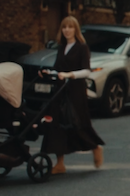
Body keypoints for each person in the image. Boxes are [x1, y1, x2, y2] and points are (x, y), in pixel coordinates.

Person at [40, 16, 105, 174]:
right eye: (64, 27)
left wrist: (70, 75)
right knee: (56, 125)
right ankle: (60, 163)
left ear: (76, 29)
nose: (67, 30)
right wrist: (48, 73)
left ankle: (95, 147)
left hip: (75, 91)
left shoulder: (82, 47)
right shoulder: (62, 47)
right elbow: (58, 69)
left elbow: (86, 70)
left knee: (78, 122)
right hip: (60, 90)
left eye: (70, 27)